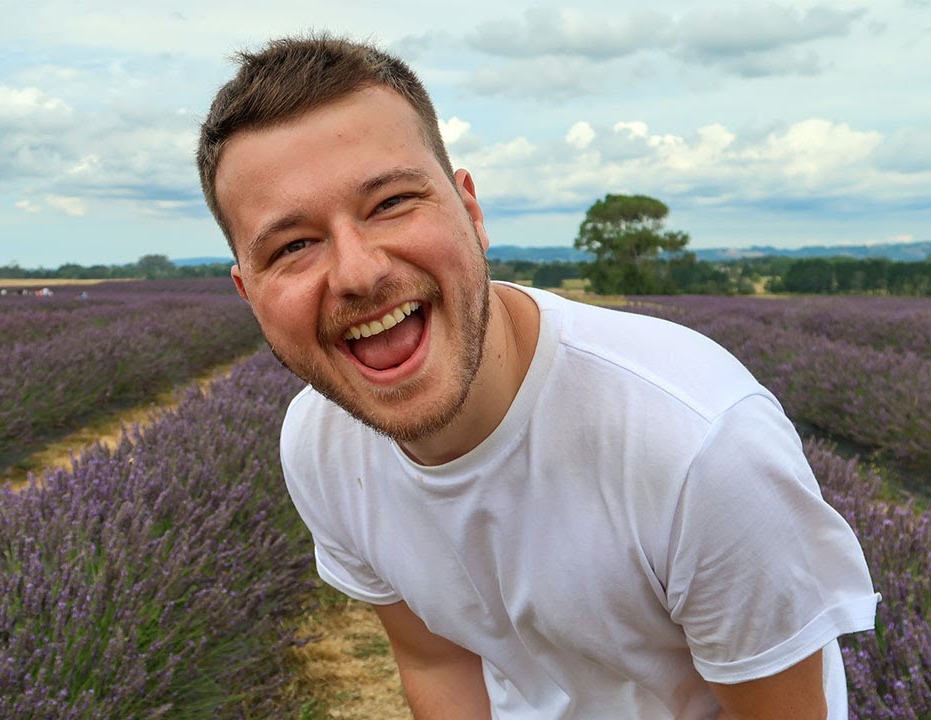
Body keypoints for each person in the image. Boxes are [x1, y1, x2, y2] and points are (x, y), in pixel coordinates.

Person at [198, 35, 879, 719]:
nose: (358, 272)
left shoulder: (699, 449)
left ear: (470, 210)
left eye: (390, 203)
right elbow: (435, 659)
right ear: (247, 292)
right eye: (293, 246)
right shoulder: (318, 448)